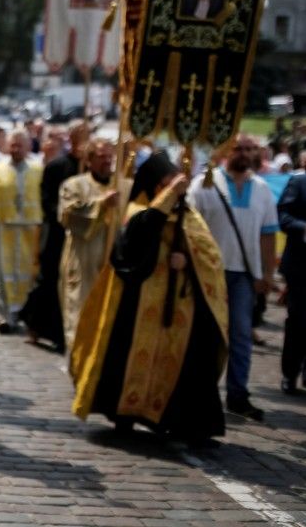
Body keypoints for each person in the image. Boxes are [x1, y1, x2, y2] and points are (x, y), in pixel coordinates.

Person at [70, 153, 228, 447]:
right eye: (168, 185)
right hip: (139, 304)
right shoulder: (138, 210)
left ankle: (177, 420)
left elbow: (212, 258)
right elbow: (139, 238)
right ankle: (125, 414)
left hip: (182, 305)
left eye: (176, 185)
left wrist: (189, 262)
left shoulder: (189, 216)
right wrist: (169, 198)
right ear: (156, 187)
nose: (176, 191)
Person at [188, 134, 276, 420]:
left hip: (244, 275)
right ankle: (201, 392)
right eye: (239, 148)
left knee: (240, 335)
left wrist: (266, 273)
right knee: (207, 335)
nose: (244, 153)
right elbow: (188, 227)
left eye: (250, 149)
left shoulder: (262, 189)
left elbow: (267, 235)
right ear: (227, 151)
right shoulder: (206, 183)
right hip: (209, 274)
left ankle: (238, 394)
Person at [21, 119, 88, 350]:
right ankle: (37, 324)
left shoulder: (89, 169)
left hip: (81, 233)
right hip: (57, 232)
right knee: (49, 279)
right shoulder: (57, 166)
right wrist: (63, 217)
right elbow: (47, 199)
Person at [58, 137, 128, 350]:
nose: (107, 161)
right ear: (89, 160)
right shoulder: (74, 185)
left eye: (110, 156)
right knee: (79, 314)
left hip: (111, 263)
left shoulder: (124, 186)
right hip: (83, 259)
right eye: (101, 156)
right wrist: (101, 205)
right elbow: (68, 215)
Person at [0, 129, 43, 333]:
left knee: (25, 273)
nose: (16, 149)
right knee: (0, 273)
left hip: (29, 228)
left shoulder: (37, 170)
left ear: (28, 146)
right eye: (13, 145)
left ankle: (21, 312)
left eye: (20, 145)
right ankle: (1, 316)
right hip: (2, 227)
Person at [277, 156, 306, 394]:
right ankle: (290, 372)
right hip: (302, 266)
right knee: (301, 321)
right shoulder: (302, 183)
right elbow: (283, 218)